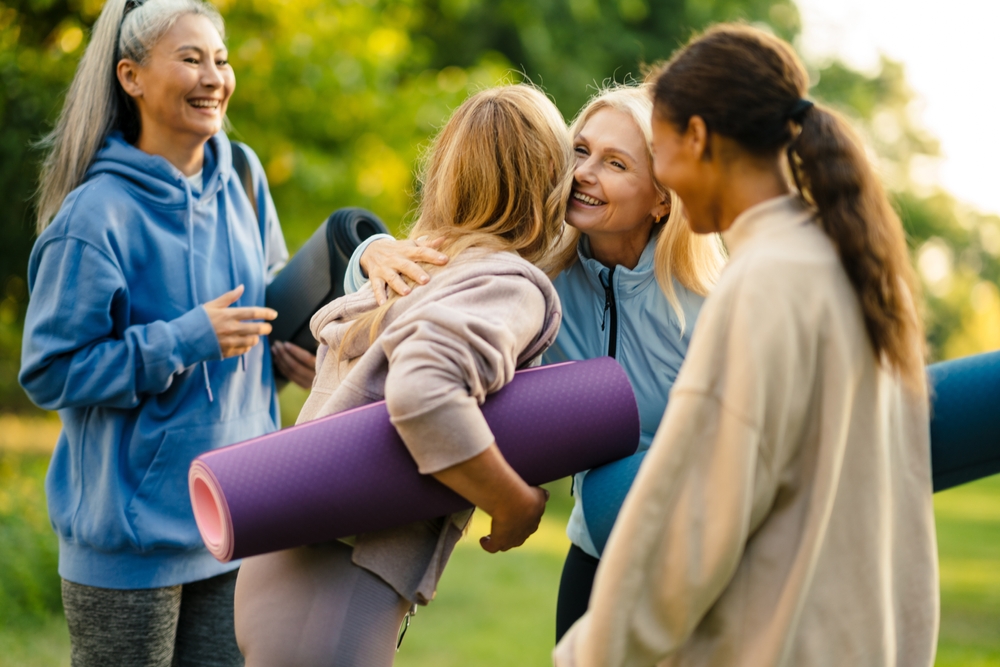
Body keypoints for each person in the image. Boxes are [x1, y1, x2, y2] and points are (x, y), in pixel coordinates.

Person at [554, 24, 938, 666]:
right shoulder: (863, 269)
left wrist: (589, 654)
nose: (668, 179)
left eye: (661, 149)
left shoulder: (761, 285)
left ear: (697, 139)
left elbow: (695, 520)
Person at [346, 84, 725, 640]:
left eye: (615, 163)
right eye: (580, 150)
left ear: (661, 198)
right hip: (594, 553)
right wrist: (370, 252)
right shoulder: (535, 275)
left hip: (696, 562)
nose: (584, 173)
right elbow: (427, 274)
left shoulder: (708, 308)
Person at [233, 83, 573, 666]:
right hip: (337, 586)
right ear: (548, 179)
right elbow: (422, 391)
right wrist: (512, 501)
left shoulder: (415, 265)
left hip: (282, 569)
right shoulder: (507, 283)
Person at [19, 0, 312, 663]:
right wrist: (184, 340)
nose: (214, 77)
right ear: (131, 77)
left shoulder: (242, 175)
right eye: (190, 59)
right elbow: (49, 370)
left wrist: (290, 351)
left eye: (222, 59)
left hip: (240, 515)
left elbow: (265, 292)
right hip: (131, 544)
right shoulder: (95, 217)